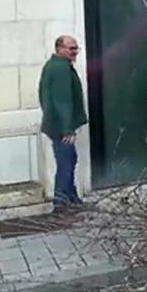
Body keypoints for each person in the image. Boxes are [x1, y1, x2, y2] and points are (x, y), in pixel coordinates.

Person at [38, 35, 88, 212]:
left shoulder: (55, 66)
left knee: (69, 158)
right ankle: (61, 201)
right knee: (66, 161)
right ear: (59, 48)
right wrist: (67, 129)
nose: (75, 51)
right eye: (71, 48)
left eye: (76, 48)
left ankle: (71, 196)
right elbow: (62, 100)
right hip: (60, 127)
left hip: (55, 124)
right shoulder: (60, 69)